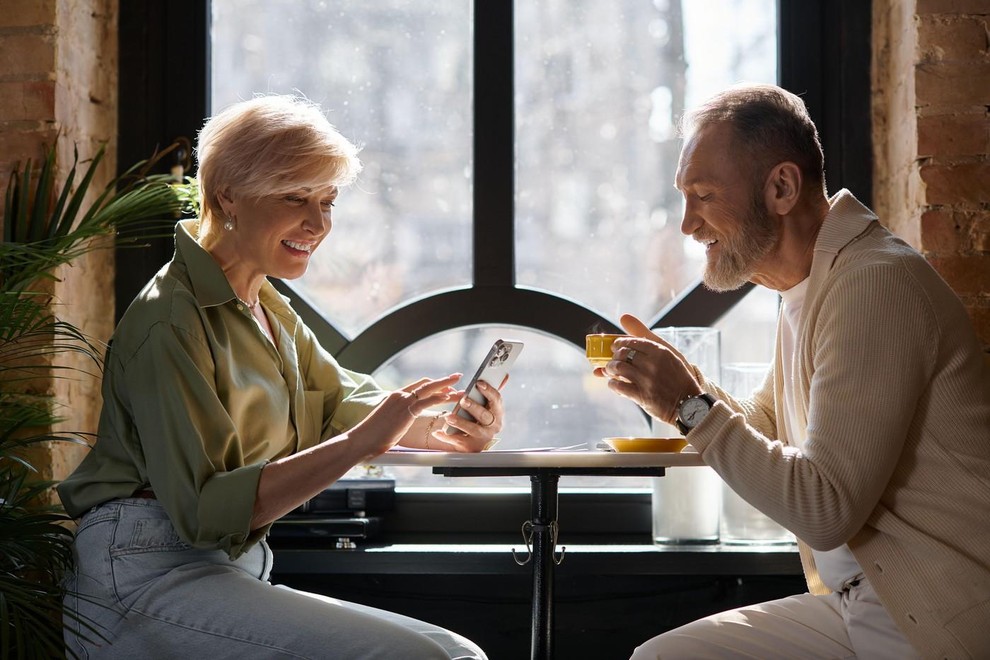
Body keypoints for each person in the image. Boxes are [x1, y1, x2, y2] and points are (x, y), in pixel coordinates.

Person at [57, 94, 503, 659]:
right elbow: (204, 514)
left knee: (455, 651)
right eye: (296, 198)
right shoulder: (170, 320)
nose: (318, 223)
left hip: (223, 568)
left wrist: (452, 429)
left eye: (328, 200)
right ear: (229, 196)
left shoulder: (268, 308)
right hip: (143, 570)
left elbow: (346, 405)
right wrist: (362, 440)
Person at [598, 84, 990, 659]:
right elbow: (765, 421)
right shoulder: (811, 285)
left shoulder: (872, 284)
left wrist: (689, 405)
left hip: (937, 615)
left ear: (781, 187)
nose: (687, 225)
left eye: (703, 195)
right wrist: (679, 390)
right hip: (862, 603)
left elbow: (825, 507)